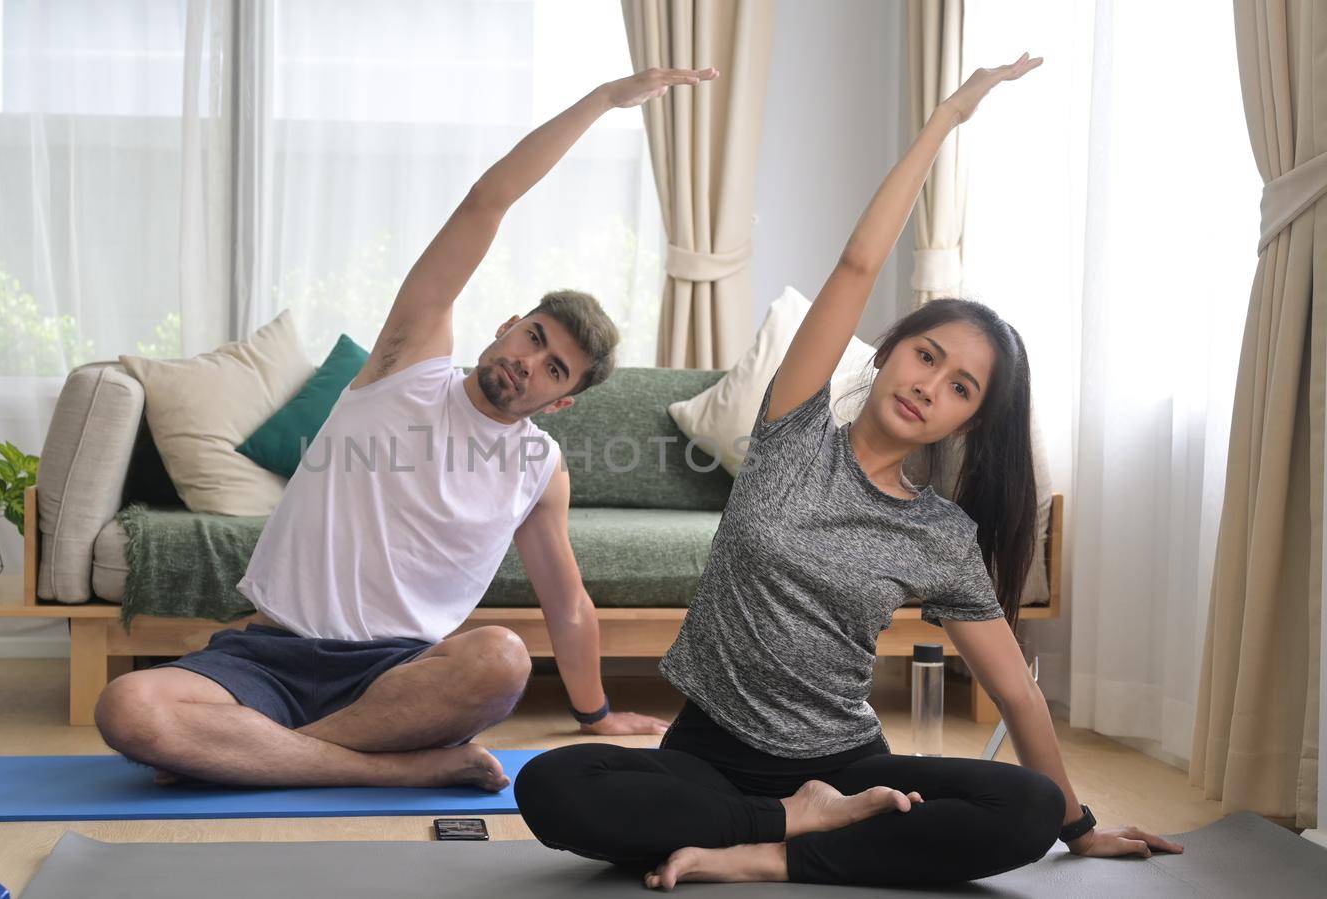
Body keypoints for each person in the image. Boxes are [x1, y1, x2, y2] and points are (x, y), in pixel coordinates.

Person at [514, 53, 1186, 890]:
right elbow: (858, 266)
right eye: (926, 355)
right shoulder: (793, 430)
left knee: (1020, 808)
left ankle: (770, 851)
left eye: (959, 387)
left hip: (848, 766)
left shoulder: (940, 534)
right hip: (708, 756)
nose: (927, 385)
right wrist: (945, 120)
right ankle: (792, 825)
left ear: (966, 420)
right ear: (890, 348)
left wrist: (1077, 827)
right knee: (551, 785)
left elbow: (1015, 692)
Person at [91, 67, 719, 791]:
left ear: (562, 403)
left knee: (503, 660)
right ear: (508, 324)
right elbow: (488, 202)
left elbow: (565, 599)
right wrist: (604, 101)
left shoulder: (538, 469)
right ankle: (376, 766)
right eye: (535, 337)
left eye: (555, 371)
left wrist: (596, 713)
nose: (530, 364)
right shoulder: (406, 364)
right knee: (129, 708)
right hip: (268, 653)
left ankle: (264, 756)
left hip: (396, 678)